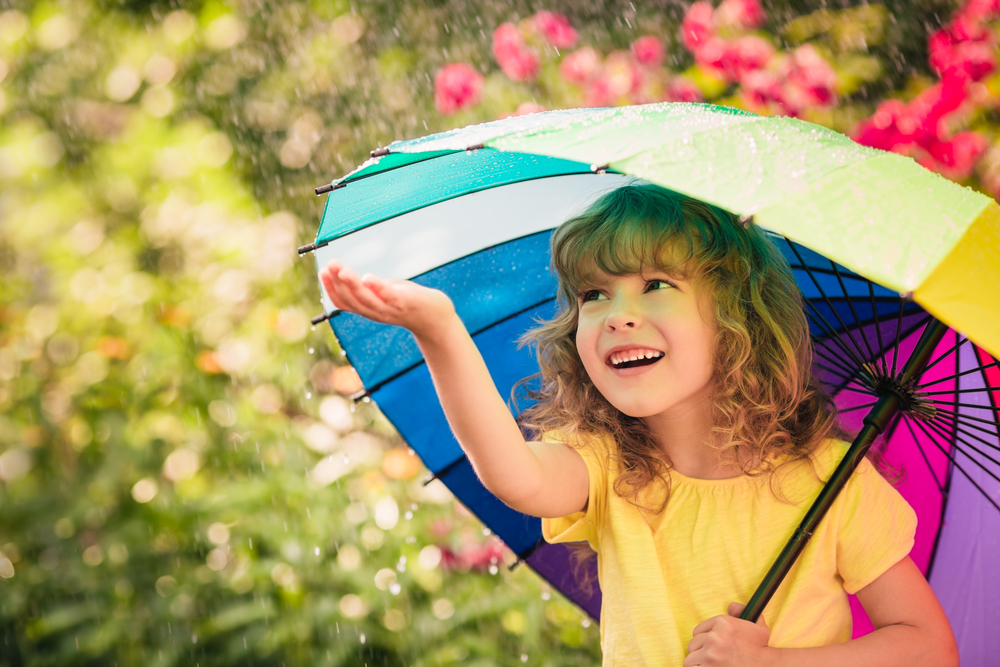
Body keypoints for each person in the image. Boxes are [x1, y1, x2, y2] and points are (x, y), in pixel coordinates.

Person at [319, 184, 958, 667]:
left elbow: (928, 646)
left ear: (734, 321)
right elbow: (514, 474)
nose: (618, 315)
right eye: (595, 295)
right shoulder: (607, 463)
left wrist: (771, 662)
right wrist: (440, 331)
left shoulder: (828, 481)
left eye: (656, 284)